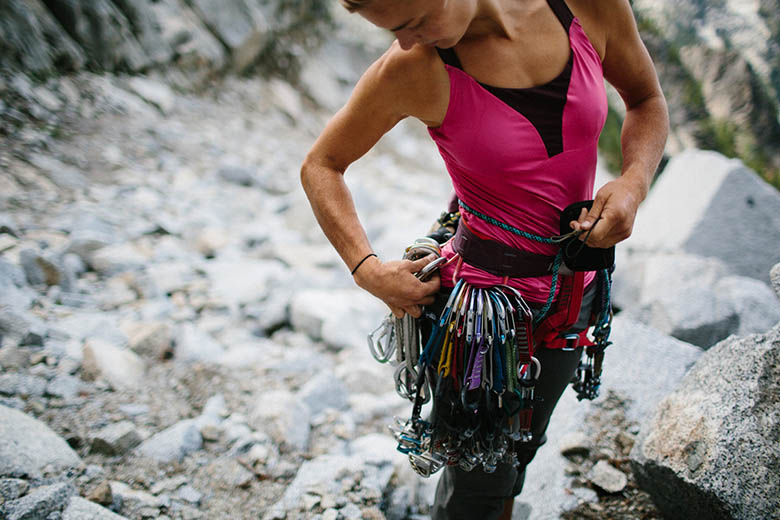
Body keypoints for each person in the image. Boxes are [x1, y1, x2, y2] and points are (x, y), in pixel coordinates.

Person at [300, 0, 668, 518]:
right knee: (479, 480)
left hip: (575, 295)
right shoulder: (415, 67)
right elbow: (322, 165)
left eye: (413, 22)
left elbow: (647, 99)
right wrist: (369, 270)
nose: (405, 41)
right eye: (395, 31)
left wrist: (634, 182)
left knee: (521, 453)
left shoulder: (588, 7)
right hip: (481, 318)